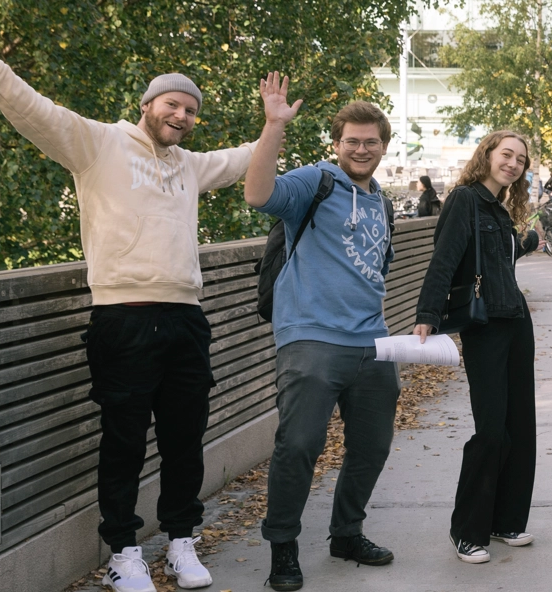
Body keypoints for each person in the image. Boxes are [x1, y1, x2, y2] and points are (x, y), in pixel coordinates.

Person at [0, 5, 256, 591]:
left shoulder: (191, 167)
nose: (180, 115)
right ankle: (124, 553)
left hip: (185, 319)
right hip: (123, 318)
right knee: (124, 439)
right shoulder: (98, 144)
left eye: (190, 110)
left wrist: (277, 124)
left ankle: (182, 540)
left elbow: (247, 159)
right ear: (148, 106)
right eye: (171, 104)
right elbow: (32, 110)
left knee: (185, 439)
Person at [243, 76, 401, 591]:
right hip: (310, 336)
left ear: (383, 145)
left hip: (372, 343)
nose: (361, 149)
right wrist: (273, 127)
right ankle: (283, 549)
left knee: (372, 445)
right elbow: (257, 192)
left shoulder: (381, 200)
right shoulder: (317, 180)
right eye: (351, 140)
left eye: (370, 141)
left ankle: (346, 533)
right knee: (300, 445)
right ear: (337, 144)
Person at [412, 131, 543, 565]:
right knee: (490, 429)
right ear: (486, 155)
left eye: (520, 160)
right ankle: (467, 530)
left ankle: (505, 520)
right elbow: (446, 259)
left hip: (517, 322)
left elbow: (494, 263)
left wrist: (525, 243)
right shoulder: (465, 200)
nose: (513, 164)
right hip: (484, 327)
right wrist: (428, 315)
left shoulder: (501, 209)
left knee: (520, 425)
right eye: (506, 154)